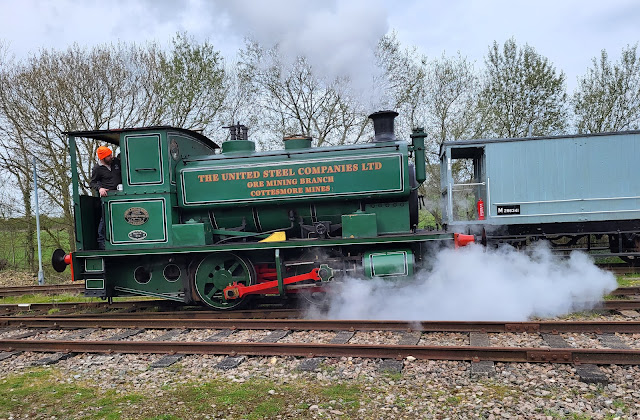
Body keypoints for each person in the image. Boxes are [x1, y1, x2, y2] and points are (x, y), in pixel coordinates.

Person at [90, 146, 122, 249]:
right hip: (108, 198)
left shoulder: (116, 162)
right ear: (103, 158)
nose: (111, 157)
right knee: (105, 219)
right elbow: (93, 182)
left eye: (111, 154)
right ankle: (102, 243)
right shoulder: (97, 169)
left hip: (120, 195)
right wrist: (100, 189)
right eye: (109, 156)